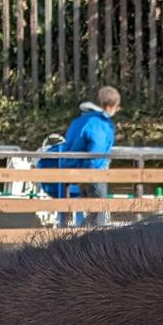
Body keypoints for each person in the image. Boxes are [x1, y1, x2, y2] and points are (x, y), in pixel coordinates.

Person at [39, 86, 120, 227]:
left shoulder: (79, 121)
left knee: (82, 210)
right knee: (98, 214)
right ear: (109, 107)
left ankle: (77, 234)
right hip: (93, 172)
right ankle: (89, 239)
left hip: (73, 170)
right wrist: (94, 170)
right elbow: (97, 150)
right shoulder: (99, 124)